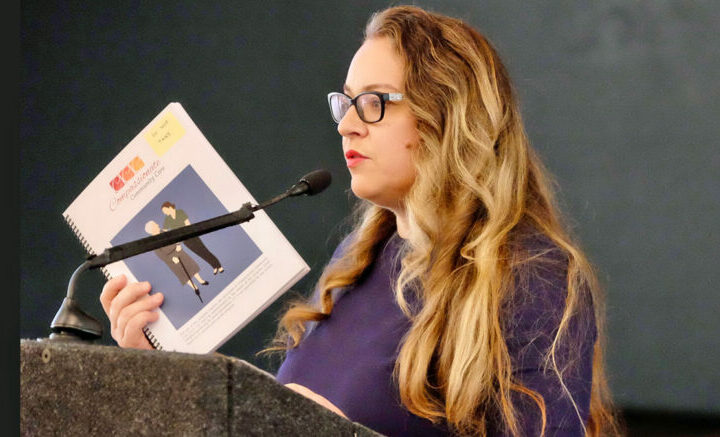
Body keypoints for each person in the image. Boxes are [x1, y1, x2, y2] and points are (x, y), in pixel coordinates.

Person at [99, 5, 620, 436]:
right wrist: (158, 366)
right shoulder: (360, 255)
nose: (347, 125)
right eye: (344, 104)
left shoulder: (533, 277)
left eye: (371, 103)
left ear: (448, 113)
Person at [143, 220, 208, 302]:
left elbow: (175, 238)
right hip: (171, 259)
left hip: (179, 250)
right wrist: (172, 259)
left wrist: (178, 245)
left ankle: (201, 281)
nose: (158, 225)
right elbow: (160, 255)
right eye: (155, 225)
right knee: (183, 274)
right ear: (152, 229)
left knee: (191, 266)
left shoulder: (164, 231)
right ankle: (195, 287)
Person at [160, 201, 224, 275]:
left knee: (205, 251)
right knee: (200, 254)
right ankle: (214, 267)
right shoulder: (168, 220)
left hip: (192, 236)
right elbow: (164, 231)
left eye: (165, 211)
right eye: (163, 212)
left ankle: (219, 266)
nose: (164, 213)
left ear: (170, 207)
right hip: (185, 241)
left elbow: (187, 223)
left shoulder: (180, 212)